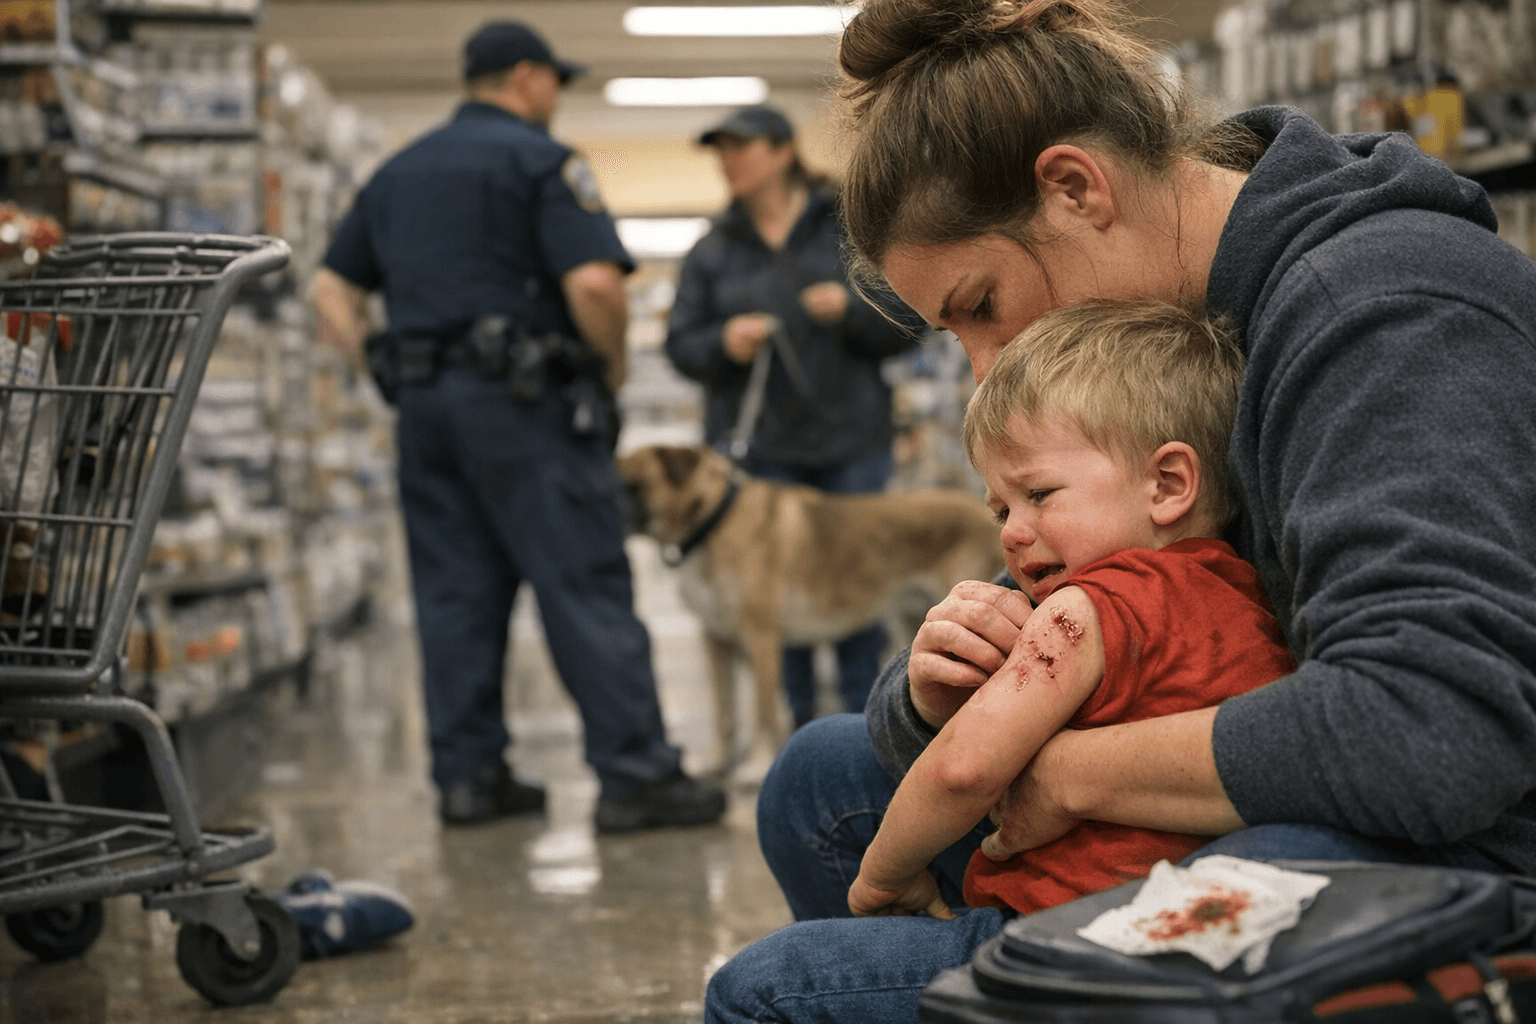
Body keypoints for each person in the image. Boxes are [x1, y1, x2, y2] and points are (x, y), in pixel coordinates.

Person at [706, 0, 1536, 1019]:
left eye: (982, 305)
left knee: (771, 993)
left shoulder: (1382, 310)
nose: (983, 368)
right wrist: (936, 683)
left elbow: (1434, 735)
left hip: (1468, 846)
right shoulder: (1158, 333)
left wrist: (1073, 774)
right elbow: (1040, 626)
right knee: (821, 778)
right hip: (1271, 782)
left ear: (1075, 189)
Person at [309, 20, 726, 833]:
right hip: (527, 408)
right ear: (528, 78)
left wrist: (383, 369)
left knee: (454, 592)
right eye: (554, 85)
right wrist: (605, 378)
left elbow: (330, 289)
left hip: (427, 412)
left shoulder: (395, 173)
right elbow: (598, 286)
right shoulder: (540, 161)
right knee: (582, 581)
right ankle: (635, 775)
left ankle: (470, 780)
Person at [848, 300, 1296, 921]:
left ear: (1167, 484)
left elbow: (961, 769)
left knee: (764, 985)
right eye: (1002, 511)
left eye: (1038, 495)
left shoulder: (1083, 611)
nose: (1011, 533)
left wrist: (882, 878)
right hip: (1195, 915)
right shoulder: (1248, 595)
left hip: (1062, 932)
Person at [664, 104, 921, 727]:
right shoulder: (712, 251)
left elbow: (912, 321)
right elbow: (680, 344)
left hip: (850, 443)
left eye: (741, 147)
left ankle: (869, 724)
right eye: (721, 150)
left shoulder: (851, 230)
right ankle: (802, 725)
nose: (729, 161)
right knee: (769, 603)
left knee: (859, 587)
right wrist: (722, 343)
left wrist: (854, 312)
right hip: (758, 454)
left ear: (783, 151)